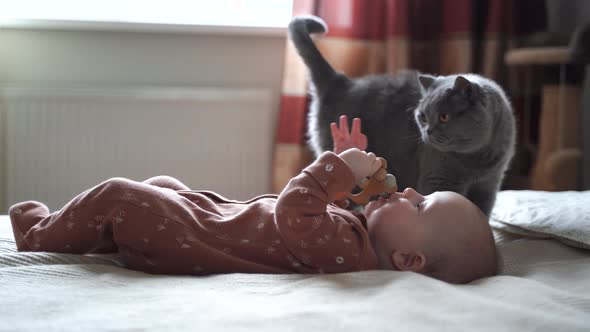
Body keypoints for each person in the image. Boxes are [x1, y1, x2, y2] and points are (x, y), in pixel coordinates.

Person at [8, 118, 497, 284]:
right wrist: (348, 177)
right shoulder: (358, 239)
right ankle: (97, 240)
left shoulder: (349, 256)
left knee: (120, 193)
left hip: (196, 238)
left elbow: (294, 210)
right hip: (214, 216)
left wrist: (337, 168)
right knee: (163, 183)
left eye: (420, 205)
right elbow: (325, 207)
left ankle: (39, 234)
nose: (409, 191)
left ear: (408, 260)